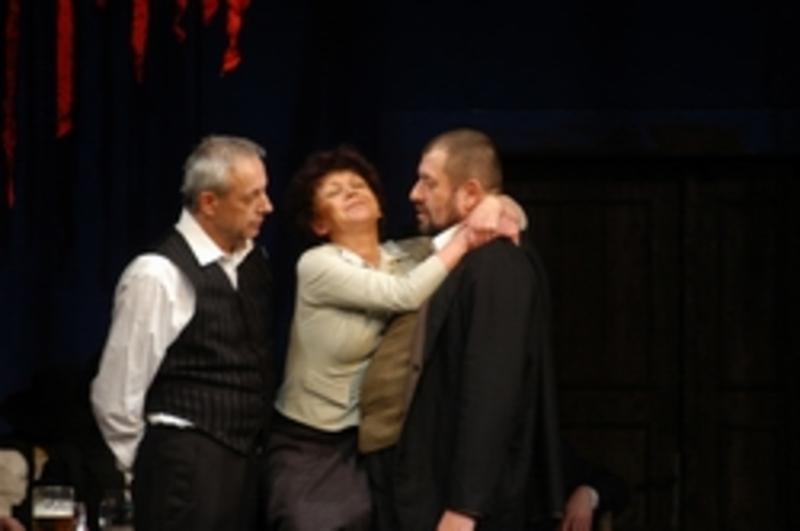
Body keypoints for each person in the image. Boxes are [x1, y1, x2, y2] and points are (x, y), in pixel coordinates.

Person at [265, 146, 520, 531]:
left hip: (365, 441)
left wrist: (496, 203)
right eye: (334, 192)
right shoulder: (317, 265)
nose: (351, 192)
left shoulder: (404, 257)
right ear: (319, 224)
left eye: (358, 185)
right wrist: (467, 239)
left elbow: (499, 218)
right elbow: (403, 295)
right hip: (309, 443)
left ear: (380, 206)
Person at [376, 128, 565, 531]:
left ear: (470, 194)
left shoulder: (498, 264)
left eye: (429, 182)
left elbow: (492, 388)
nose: (414, 193)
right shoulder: (452, 256)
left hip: (463, 507)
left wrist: (466, 506)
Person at [91, 135, 275, 531]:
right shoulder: (158, 274)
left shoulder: (253, 261)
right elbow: (116, 395)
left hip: (245, 466)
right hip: (185, 466)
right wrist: (151, 468)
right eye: (252, 197)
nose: (267, 206)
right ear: (209, 203)